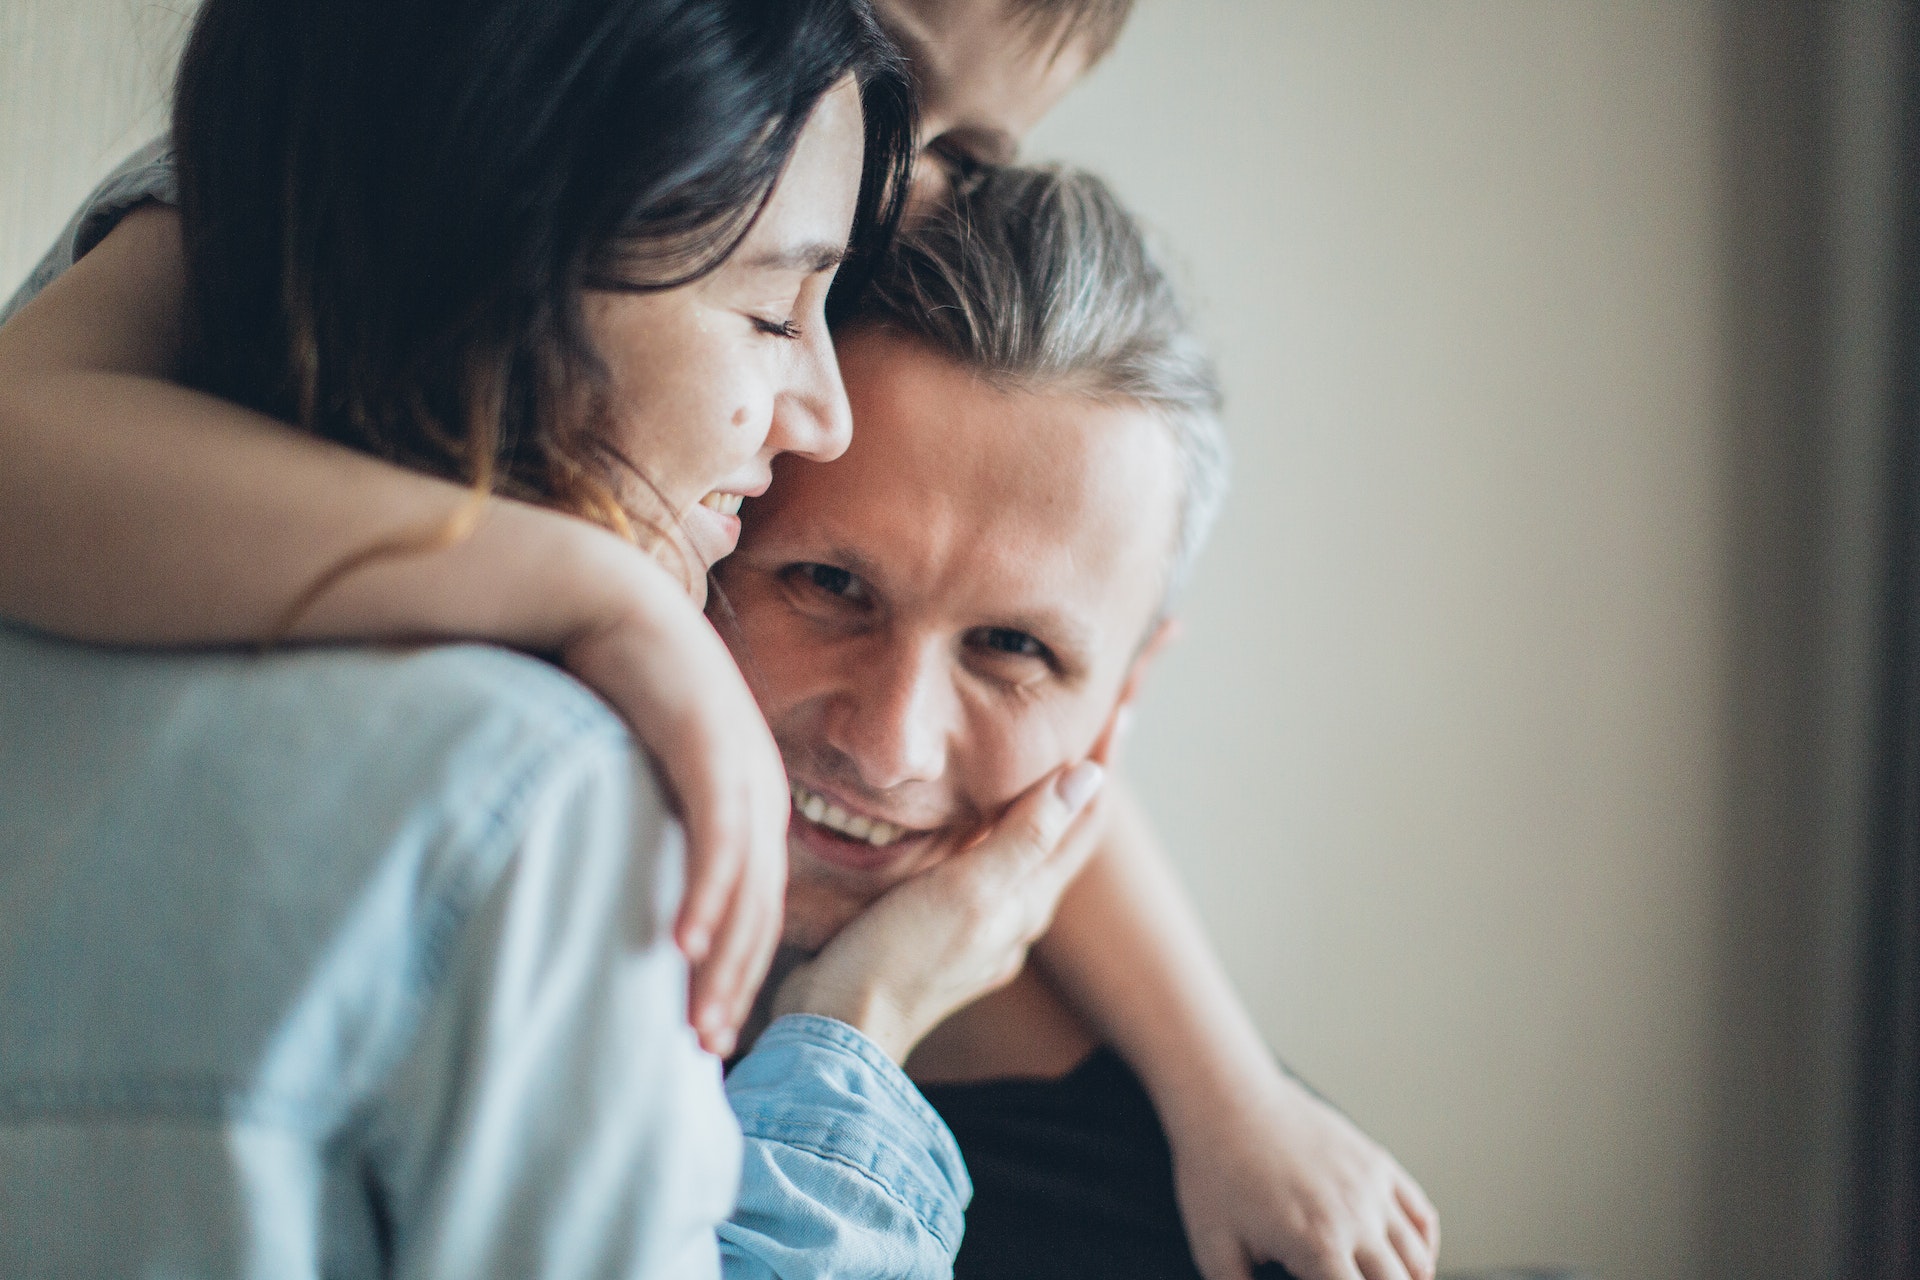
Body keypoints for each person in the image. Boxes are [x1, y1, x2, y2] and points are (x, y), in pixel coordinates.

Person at [0, 1, 1437, 1277]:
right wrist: (590, 591)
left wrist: (1229, 1091)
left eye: (962, 150)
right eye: (821, 585)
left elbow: (1045, 751)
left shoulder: (773, 325)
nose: (897, 177)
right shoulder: (357, 186)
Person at [717, 165, 1441, 1280]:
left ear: (1124, 698)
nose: (888, 743)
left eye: (1013, 649)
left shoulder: (1213, 1225)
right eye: (827, 583)